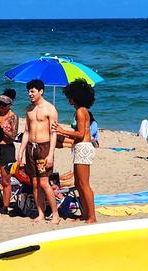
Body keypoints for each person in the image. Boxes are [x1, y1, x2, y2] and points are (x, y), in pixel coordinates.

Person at [53, 78, 97, 224]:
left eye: (70, 97)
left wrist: (62, 130)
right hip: (80, 147)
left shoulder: (80, 111)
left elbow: (80, 134)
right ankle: (85, 214)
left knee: (84, 184)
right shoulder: (83, 111)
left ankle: (92, 216)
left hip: (83, 148)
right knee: (78, 183)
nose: (68, 100)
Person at [16, 79, 60, 224]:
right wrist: (20, 151)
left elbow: (53, 133)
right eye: (29, 91)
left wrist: (50, 154)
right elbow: (26, 131)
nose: (30, 94)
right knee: (34, 183)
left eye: (33, 91)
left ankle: (55, 214)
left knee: (44, 183)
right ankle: (40, 213)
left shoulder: (50, 108)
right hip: (30, 148)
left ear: (41, 91)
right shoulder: (29, 109)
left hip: (43, 148)